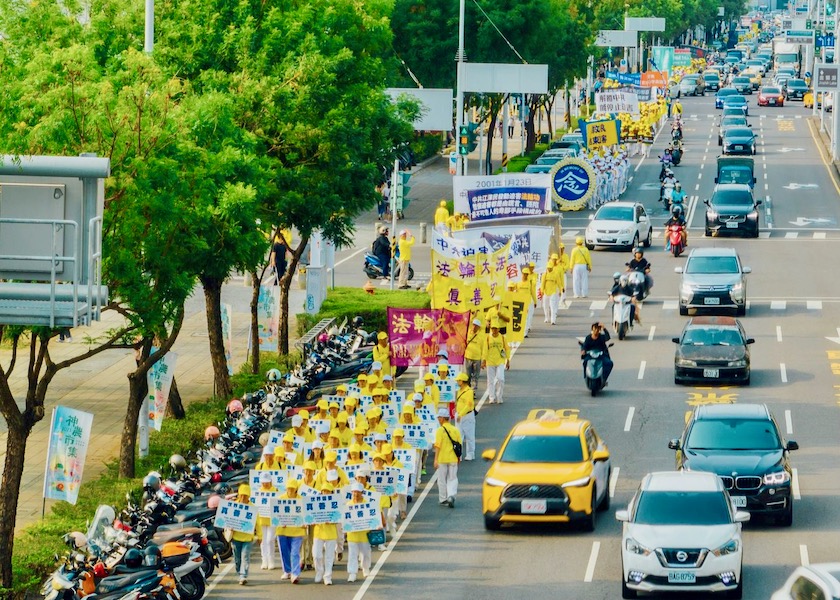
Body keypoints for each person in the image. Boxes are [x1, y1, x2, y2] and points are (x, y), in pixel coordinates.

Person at [345, 481, 378, 582]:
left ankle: (365, 568)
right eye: (354, 492)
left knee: (365, 552)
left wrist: (376, 525)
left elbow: (373, 517)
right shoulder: (348, 505)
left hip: (364, 534)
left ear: (362, 492)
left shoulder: (367, 504)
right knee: (352, 554)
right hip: (352, 535)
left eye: (358, 492)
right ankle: (352, 573)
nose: (356, 494)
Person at [276, 478, 305, 584]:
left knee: (294, 552)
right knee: (284, 552)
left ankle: (295, 573)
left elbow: (306, 515)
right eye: (289, 488)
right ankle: (287, 570)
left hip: (297, 531)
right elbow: (276, 516)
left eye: (292, 489)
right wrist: (280, 521)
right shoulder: (280, 499)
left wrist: (305, 522)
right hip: (283, 530)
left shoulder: (301, 500)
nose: (290, 490)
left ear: (296, 489)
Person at [434, 407, 462, 508]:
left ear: (442, 418)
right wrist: (459, 457)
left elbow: (437, 445)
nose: (438, 419)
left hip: (442, 458)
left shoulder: (440, 431)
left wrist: (436, 459)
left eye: (439, 418)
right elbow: (459, 444)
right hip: (453, 458)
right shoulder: (455, 430)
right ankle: (451, 495)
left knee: (441, 479)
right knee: (452, 478)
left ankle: (443, 498)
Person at [312, 482, 339, 585]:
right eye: (324, 491)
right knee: (316, 554)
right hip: (318, 531)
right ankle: (319, 571)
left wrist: (332, 520)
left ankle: (327, 576)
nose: (325, 493)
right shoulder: (315, 503)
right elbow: (310, 516)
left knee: (329, 556)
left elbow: (339, 518)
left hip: (331, 533)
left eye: (328, 491)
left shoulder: (335, 503)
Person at [231, 484, 255, 585]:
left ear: (249, 496)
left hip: (247, 537)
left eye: (245, 495)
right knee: (237, 558)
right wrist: (229, 526)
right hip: (235, 537)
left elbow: (257, 523)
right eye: (241, 495)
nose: (243, 497)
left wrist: (261, 536)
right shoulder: (233, 506)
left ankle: (243, 576)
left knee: (245, 556)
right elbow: (227, 520)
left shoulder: (252, 508)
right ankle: (239, 573)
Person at [482, 319, 510, 404]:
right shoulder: (487, 338)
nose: (494, 330)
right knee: (490, 380)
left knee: (501, 379)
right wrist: (484, 361)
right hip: (490, 362)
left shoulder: (502, 338)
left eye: (495, 328)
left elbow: (507, 349)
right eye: (492, 328)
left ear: (498, 329)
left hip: (500, 361)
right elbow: (485, 350)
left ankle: (499, 396)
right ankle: (492, 397)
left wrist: (508, 360)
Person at [256, 472, 278, 570]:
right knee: (263, 540)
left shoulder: (276, 491)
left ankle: (271, 560)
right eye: (263, 482)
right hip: (261, 519)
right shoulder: (258, 492)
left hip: (272, 519)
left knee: (270, 540)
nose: (265, 484)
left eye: (267, 482)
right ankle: (264, 560)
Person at [454, 372, 475, 461]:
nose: (457, 382)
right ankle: (459, 454)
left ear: (462, 381)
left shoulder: (469, 391)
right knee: (458, 435)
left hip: (467, 415)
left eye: (458, 381)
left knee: (469, 435)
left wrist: (461, 414)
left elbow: (468, 405)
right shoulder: (459, 391)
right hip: (459, 415)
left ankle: (470, 453)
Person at [463, 318, 484, 391]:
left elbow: (483, 348)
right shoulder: (467, 333)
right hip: (468, 357)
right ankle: (467, 389)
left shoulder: (481, 336)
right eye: (473, 325)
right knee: (467, 375)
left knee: (475, 376)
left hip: (477, 358)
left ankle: (473, 391)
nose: (474, 327)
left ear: (479, 327)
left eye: (476, 325)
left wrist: (483, 360)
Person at [540, 257, 562, 325]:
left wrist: (560, 290)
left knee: (552, 306)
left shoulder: (556, 274)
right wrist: (542, 291)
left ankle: (553, 320)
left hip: (553, 292)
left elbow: (559, 283)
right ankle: (547, 317)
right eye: (548, 268)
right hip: (546, 292)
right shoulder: (544, 274)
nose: (549, 269)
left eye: (550, 268)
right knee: (545, 306)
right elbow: (542, 283)